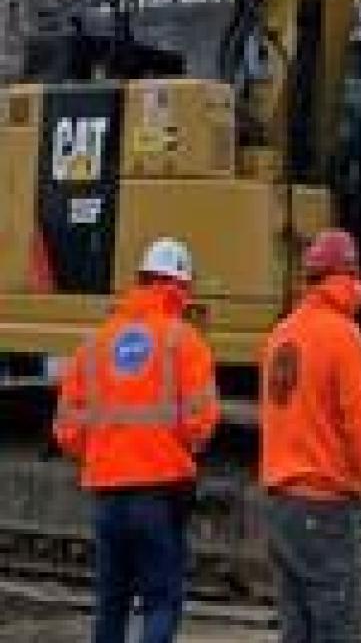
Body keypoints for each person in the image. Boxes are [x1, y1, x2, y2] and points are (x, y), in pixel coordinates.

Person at [54, 238, 218, 643]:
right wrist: (174, 449)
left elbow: (67, 430)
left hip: (107, 494)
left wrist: (103, 455)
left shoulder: (94, 345)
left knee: (111, 604)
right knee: (161, 600)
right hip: (161, 492)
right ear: (180, 286)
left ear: (140, 279)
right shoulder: (185, 341)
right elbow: (200, 423)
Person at [259, 229, 361, 643]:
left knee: (297, 627)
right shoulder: (344, 336)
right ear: (350, 275)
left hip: (280, 502)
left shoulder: (281, 334)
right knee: (338, 624)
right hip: (323, 505)